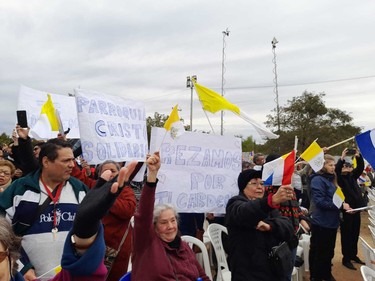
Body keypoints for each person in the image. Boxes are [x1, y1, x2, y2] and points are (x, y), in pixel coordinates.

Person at [0, 161, 138, 281]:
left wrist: (86, 231)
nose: (110, 173)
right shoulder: (91, 186)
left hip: (111, 249)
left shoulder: (120, 190)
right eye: (106, 170)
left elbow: (82, 275)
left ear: (8, 257)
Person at [0, 138, 89, 280]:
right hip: (29, 277)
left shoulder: (80, 190)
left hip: (71, 276)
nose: (72, 165)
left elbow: (91, 232)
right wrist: (22, 268)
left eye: (72, 160)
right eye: (66, 160)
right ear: (46, 162)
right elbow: (3, 237)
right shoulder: (19, 190)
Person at [131, 151, 210, 281]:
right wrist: (152, 176)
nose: (170, 226)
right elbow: (144, 215)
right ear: (154, 226)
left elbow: (202, 275)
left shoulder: (183, 246)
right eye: (163, 222)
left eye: (173, 221)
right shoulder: (146, 244)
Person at [225, 168, 295, 280]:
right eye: (254, 183)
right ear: (243, 187)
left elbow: (288, 226)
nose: (259, 187)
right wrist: (270, 201)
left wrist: (270, 226)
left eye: (262, 183)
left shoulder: (269, 208)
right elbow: (246, 212)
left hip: (273, 268)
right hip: (248, 271)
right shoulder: (235, 204)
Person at [309, 154, 351, 281]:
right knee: (320, 253)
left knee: (328, 252)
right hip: (321, 223)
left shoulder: (331, 179)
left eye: (334, 165)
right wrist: (340, 206)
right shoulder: (317, 180)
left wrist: (345, 207)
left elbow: (335, 199)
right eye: (330, 165)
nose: (333, 167)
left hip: (331, 222)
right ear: (322, 166)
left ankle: (326, 274)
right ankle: (316, 276)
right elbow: (320, 202)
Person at [335, 148, 366, 270]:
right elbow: (337, 170)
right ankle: (346, 258)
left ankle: (353, 255)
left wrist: (358, 156)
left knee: (355, 234)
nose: (347, 168)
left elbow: (360, 168)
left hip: (356, 210)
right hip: (347, 211)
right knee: (347, 235)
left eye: (348, 167)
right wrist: (342, 158)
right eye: (345, 167)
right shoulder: (340, 179)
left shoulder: (352, 177)